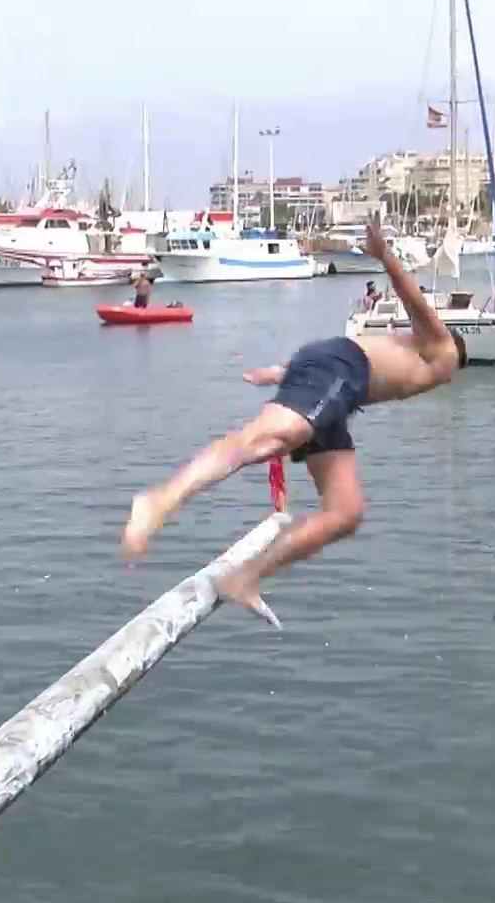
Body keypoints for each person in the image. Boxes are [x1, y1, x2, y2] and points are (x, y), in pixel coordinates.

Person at [120, 218, 467, 624]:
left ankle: (245, 578)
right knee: (269, 440)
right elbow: (417, 307)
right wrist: (386, 257)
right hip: (342, 370)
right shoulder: (444, 352)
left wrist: (280, 372)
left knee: (345, 512)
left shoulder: (416, 358)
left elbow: (337, 364)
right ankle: (158, 501)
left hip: (340, 391)